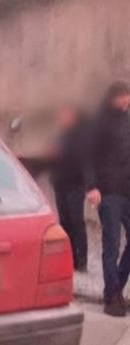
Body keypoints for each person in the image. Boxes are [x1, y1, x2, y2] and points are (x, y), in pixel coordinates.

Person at [86, 81, 130, 317]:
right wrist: (92, 187)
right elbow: (88, 157)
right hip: (109, 193)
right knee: (111, 245)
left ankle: (116, 290)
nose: (127, 100)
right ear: (113, 97)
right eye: (123, 96)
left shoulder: (127, 120)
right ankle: (112, 297)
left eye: (128, 96)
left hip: (128, 191)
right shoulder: (100, 122)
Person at [51, 105, 90, 272]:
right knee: (65, 222)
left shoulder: (81, 137)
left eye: (66, 114)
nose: (63, 118)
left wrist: (89, 185)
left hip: (75, 185)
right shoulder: (60, 136)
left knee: (76, 222)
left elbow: (85, 162)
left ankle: (81, 259)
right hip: (60, 184)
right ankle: (70, 256)